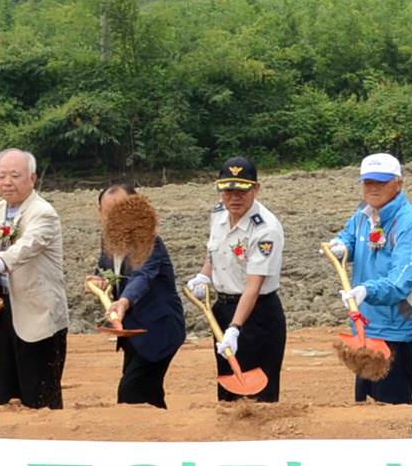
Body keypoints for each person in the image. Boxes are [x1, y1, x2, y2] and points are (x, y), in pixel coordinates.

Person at [331, 153, 412, 404]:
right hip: (365, 327)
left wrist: (367, 290)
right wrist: (342, 246)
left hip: (394, 327)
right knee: (365, 403)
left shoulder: (410, 223)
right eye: (368, 182)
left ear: (399, 183)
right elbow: (351, 236)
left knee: (391, 406)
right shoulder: (364, 213)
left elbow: (402, 280)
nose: (373, 188)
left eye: (381, 182)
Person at [188, 157, 285, 402]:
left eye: (242, 190)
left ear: (256, 189)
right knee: (229, 391)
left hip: (256, 317)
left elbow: (254, 286)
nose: (234, 197)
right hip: (222, 310)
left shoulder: (265, 229)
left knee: (258, 396)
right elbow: (215, 251)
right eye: (228, 190)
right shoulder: (219, 213)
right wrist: (204, 276)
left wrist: (235, 328)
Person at [0, 148, 66, 409]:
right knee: (6, 388)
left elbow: (29, 245)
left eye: (15, 175)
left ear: (33, 177)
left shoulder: (43, 212)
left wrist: (0, 261)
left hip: (37, 311)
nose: (7, 182)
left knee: (38, 393)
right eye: (1, 176)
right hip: (5, 307)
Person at [93, 182, 184, 409]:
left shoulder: (150, 242)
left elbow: (142, 276)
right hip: (133, 333)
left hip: (158, 332)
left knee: (131, 394)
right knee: (149, 395)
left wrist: (124, 301)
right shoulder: (109, 240)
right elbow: (105, 269)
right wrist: (97, 280)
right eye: (109, 213)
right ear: (100, 214)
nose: (115, 219)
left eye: (121, 212)